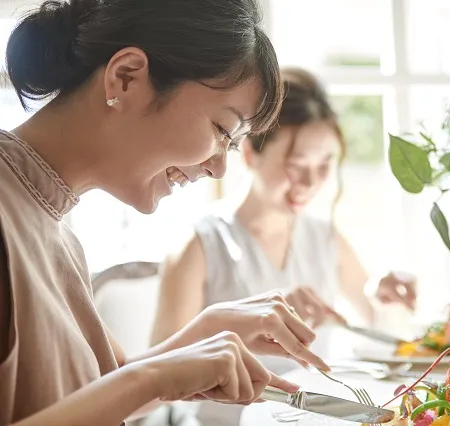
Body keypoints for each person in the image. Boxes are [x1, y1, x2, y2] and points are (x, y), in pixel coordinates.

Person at [0, 1, 330, 425]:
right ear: (127, 77)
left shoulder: (56, 228)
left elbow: (98, 396)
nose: (218, 167)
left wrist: (205, 331)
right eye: (221, 130)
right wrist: (155, 377)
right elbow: (126, 387)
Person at [151, 67, 418, 424]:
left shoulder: (325, 239)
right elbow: (156, 380)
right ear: (249, 154)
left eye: (325, 165)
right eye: (296, 165)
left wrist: (386, 302)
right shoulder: (200, 245)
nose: (310, 182)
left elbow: (388, 343)